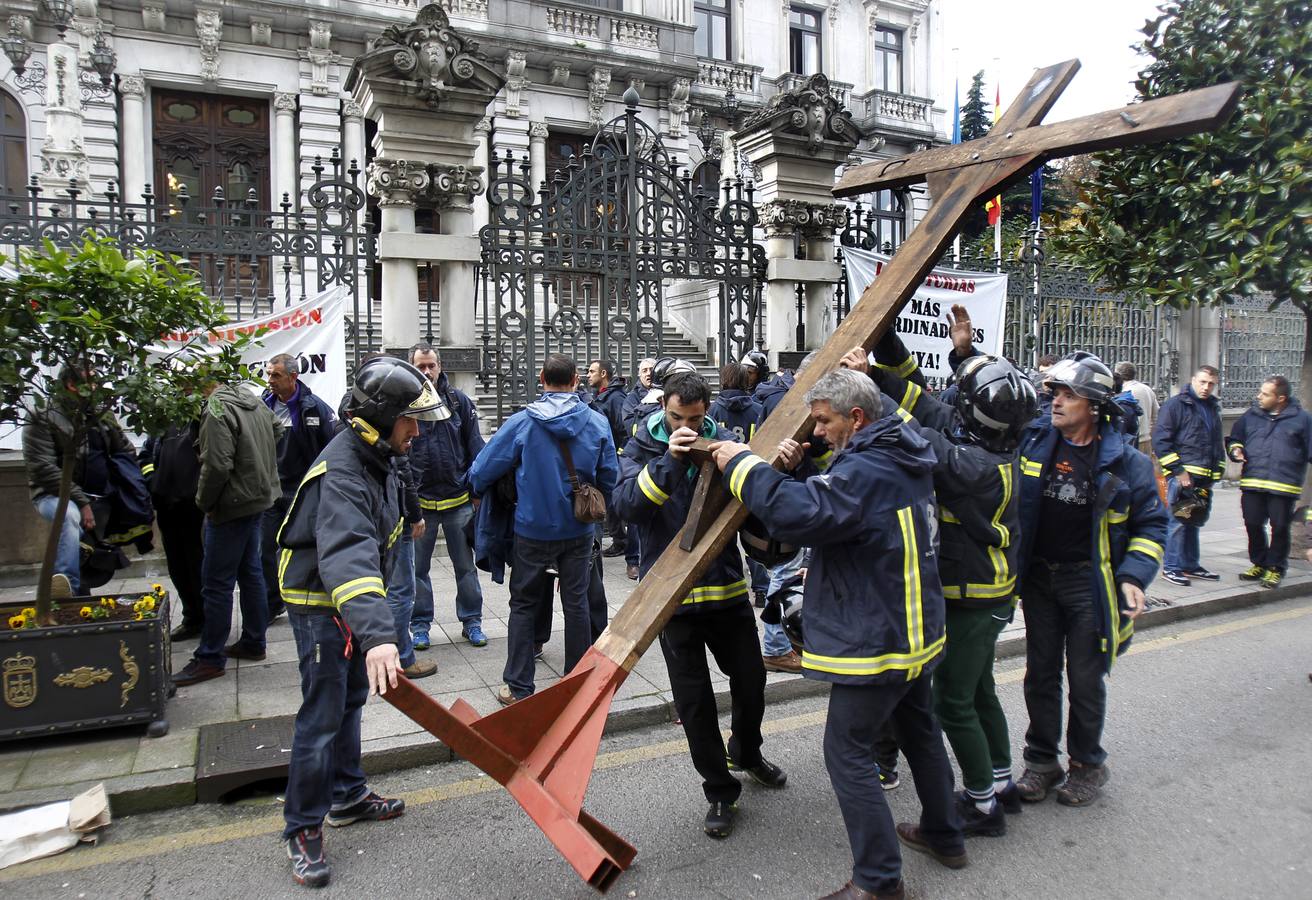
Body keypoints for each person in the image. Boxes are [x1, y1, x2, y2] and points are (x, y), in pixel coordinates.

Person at [712, 369, 964, 899]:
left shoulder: (871, 466)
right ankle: (945, 834)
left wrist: (743, 466)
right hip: (915, 627)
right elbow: (855, 505)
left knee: (847, 750)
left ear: (856, 417)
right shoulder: (902, 445)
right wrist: (817, 465)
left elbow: (799, 514)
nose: (817, 431)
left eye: (824, 422)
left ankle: (878, 881)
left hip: (879, 635)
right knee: (919, 730)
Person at [278, 356, 447, 887]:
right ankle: (302, 826)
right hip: (321, 602)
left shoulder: (374, 449)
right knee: (323, 713)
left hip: (350, 599)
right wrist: (378, 637)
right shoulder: (345, 471)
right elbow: (347, 554)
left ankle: (348, 795)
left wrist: (414, 513)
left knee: (350, 700)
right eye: (409, 421)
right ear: (379, 418)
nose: (416, 432)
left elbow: (396, 490)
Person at [857, 346, 1038, 837]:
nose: (954, 402)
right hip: (991, 593)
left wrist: (868, 391)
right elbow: (929, 407)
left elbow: (912, 432)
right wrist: (874, 370)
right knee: (979, 692)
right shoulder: (994, 446)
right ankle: (1000, 783)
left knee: (952, 702)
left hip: (973, 596)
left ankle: (981, 805)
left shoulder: (970, 464)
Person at [615, 370, 786, 840]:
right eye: (675, 417)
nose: (684, 425)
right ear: (663, 409)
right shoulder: (643, 446)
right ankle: (719, 790)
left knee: (752, 680)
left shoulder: (728, 442)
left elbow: (756, 502)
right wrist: (670, 462)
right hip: (673, 602)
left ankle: (746, 752)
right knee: (695, 704)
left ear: (707, 410)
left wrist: (779, 467)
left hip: (727, 592)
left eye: (693, 418)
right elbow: (627, 507)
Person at [1013, 352, 1168, 807]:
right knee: (1039, 675)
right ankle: (1041, 762)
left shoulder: (1127, 464)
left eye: (1069, 395)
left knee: (1085, 677)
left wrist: (1135, 577)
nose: (1057, 402)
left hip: (1089, 586)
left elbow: (1153, 525)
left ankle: (1087, 764)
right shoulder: (1037, 440)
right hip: (1040, 581)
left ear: (1095, 406)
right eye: (1055, 393)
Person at [468, 354, 619, 705]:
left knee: (523, 605)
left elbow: (481, 471)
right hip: (579, 530)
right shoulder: (596, 422)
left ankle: (519, 686)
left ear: (541, 378)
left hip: (531, 529)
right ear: (577, 380)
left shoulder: (522, 422)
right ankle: (576, 682)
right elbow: (610, 476)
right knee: (577, 603)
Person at [174, 377, 282, 686]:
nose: (188, 394)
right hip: (257, 498)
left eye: (189, 388)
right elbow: (277, 430)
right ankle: (253, 641)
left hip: (231, 504)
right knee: (250, 574)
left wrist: (205, 502)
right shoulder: (253, 401)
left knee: (217, 584)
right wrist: (257, 466)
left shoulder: (216, 409)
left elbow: (217, 465)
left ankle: (209, 657)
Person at [710, 361, 800, 673]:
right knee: (766, 557)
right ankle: (761, 592)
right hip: (754, 483)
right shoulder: (758, 407)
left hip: (726, 487)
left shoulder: (712, 412)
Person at [23, 364, 135, 598]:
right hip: (57, 495)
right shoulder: (43, 414)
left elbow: (124, 449)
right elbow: (42, 468)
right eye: (90, 382)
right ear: (71, 385)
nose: (95, 388)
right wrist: (82, 502)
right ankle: (66, 589)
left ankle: (79, 609)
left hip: (99, 497)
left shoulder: (99, 412)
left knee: (88, 557)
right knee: (69, 517)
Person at [407, 345, 488, 650]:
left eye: (431, 365)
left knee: (465, 567)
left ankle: (472, 622)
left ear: (440, 366)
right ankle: (420, 627)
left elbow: (475, 448)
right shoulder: (407, 403)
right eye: (421, 366)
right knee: (417, 571)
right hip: (420, 505)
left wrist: (477, 492)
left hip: (458, 501)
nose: (426, 371)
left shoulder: (459, 402)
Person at [261, 353, 337, 620]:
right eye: (269, 374)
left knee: (308, 546)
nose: (270, 380)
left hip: (302, 493)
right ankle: (272, 603)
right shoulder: (263, 405)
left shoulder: (314, 408)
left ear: (293, 377)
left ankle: (312, 595)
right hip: (270, 493)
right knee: (266, 549)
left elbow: (329, 449)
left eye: (276, 375)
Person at [1227, 375, 1312, 589]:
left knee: (1280, 527)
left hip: (1283, 485)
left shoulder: (1303, 420)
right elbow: (1235, 437)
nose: (1259, 397)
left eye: (1265, 394)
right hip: (1253, 481)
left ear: (1281, 398)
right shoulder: (1251, 415)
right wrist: (1236, 450)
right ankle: (1259, 562)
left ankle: (1275, 568)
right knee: (1253, 524)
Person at [1153, 366, 1224, 586]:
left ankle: (1190, 565)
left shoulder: (1212, 407)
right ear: (1193, 379)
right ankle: (1172, 567)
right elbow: (1161, 441)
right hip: (1183, 477)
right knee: (1178, 523)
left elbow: (1215, 442)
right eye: (1202, 382)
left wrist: (1218, 471)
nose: (1206, 387)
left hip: (1203, 478)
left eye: (1211, 384)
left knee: (1193, 522)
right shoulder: (1176, 405)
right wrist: (1179, 471)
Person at [141, 420, 206, 640]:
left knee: (198, 564)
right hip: (166, 505)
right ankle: (192, 617)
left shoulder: (202, 418)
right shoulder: (164, 422)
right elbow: (146, 456)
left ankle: (206, 618)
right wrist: (153, 481)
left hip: (194, 507)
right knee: (177, 566)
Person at [589, 359, 630, 559]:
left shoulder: (615, 398)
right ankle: (619, 538)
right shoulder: (601, 396)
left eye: (592, 371)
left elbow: (622, 428)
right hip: (603, 454)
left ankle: (621, 540)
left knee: (613, 500)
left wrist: (619, 454)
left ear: (603, 374)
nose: (588, 375)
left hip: (613, 456)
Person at [1115, 361, 1159, 455]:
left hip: (1129, 441)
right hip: (1146, 440)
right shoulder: (1147, 389)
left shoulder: (1123, 393)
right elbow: (1156, 415)